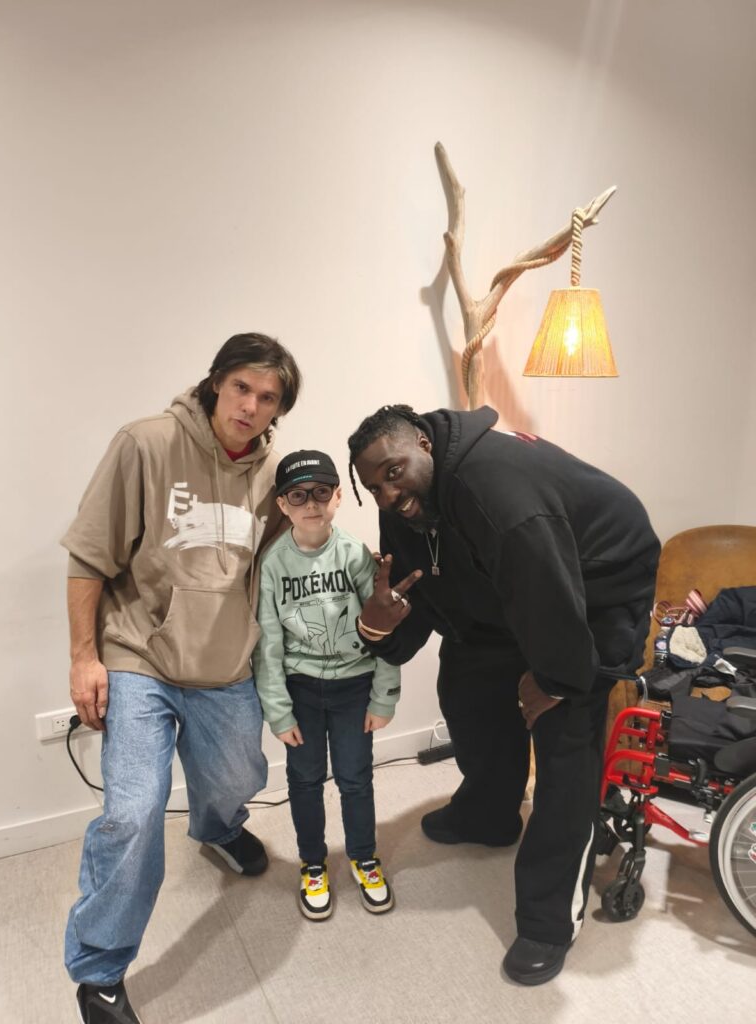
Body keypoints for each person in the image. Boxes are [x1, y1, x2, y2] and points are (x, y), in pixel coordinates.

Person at [347, 404, 660, 986]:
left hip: (596, 589)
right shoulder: (406, 506)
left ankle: (549, 919)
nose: (388, 494)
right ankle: (489, 814)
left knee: (566, 738)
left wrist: (555, 679)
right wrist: (379, 630)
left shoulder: (497, 491)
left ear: (423, 444)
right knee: (466, 687)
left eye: (393, 472)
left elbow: (549, 587)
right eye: (374, 487)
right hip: (510, 592)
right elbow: (419, 586)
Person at [62, 333, 301, 1024]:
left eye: (268, 398)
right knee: (133, 813)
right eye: (242, 387)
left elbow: (279, 565)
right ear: (216, 382)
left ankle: (217, 827)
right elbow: (88, 556)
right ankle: (100, 972)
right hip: (140, 654)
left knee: (237, 779)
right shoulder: (146, 444)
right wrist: (84, 658)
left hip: (225, 664)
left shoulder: (275, 475)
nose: (250, 406)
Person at [254, 450, 400, 921]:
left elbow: (384, 631)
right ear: (282, 505)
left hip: (355, 688)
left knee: (356, 778)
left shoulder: (355, 554)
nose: (311, 504)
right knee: (304, 779)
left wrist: (383, 696)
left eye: (321, 493)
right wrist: (278, 710)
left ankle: (363, 856)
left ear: (338, 496)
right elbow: (268, 643)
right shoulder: (273, 563)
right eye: (298, 496)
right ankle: (312, 863)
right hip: (301, 690)